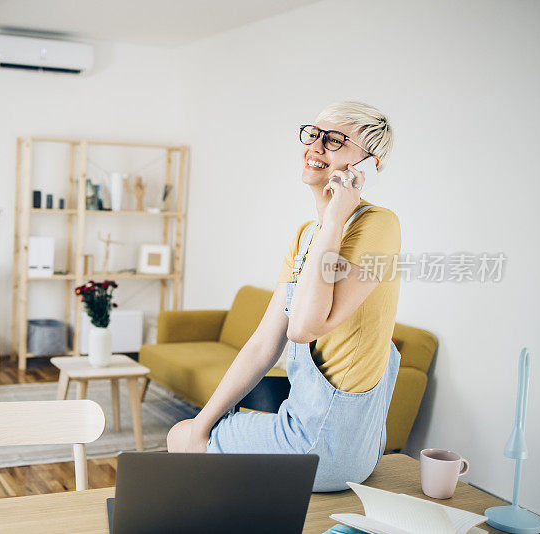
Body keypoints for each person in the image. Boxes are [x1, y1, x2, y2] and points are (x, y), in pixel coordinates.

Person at [166, 101, 402, 491]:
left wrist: (336, 219)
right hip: (310, 426)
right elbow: (263, 344)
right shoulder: (306, 234)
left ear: (368, 166)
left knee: (176, 438)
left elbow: (304, 328)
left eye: (335, 141)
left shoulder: (379, 226)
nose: (315, 147)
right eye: (313, 135)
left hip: (326, 444)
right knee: (191, 431)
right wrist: (203, 423)